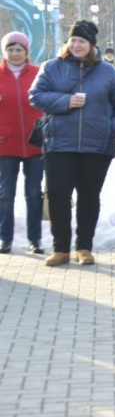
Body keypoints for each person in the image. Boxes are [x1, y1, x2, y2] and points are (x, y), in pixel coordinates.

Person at [29, 20, 115, 267]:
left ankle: (84, 247)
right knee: (57, 195)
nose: (76, 45)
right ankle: (61, 249)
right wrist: (65, 101)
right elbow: (36, 96)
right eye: (73, 40)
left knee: (88, 196)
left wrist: (111, 130)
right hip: (59, 144)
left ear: (91, 46)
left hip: (96, 146)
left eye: (82, 41)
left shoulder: (107, 72)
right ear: (67, 42)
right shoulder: (52, 67)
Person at [0, 32, 44, 255]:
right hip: (5, 144)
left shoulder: (38, 74)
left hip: (35, 143)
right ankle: (4, 238)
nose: (15, 54)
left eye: (19, 50)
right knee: (5, 194)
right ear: (4, 52)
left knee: (34, 194)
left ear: (26, 52)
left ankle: (35, 239)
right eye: (11, 49)